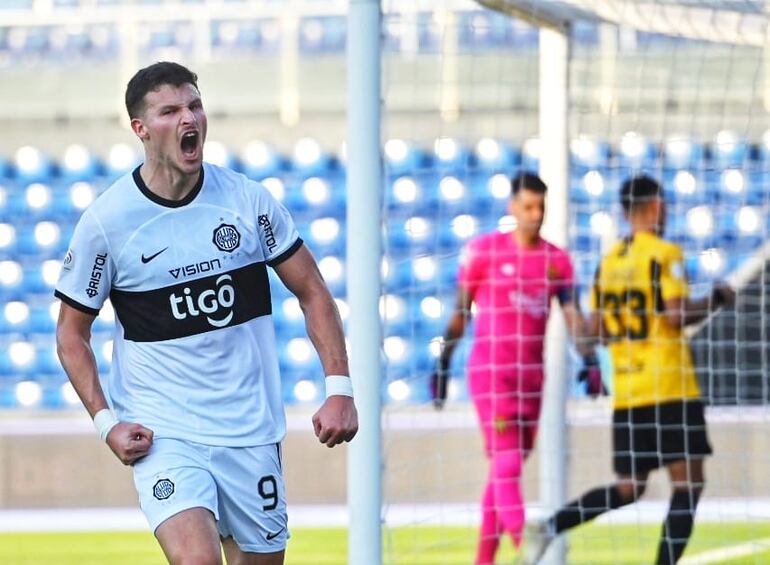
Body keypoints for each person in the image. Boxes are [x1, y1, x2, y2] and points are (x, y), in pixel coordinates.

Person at [55, 61, 358, 565]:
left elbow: (314, 292)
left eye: (194, 105)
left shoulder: (246, 201)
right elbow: (71, 335)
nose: (188, 117)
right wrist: (106, 422)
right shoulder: (107, 224)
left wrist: (340, 389)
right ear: (141, 128)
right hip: (166, 433)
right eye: (170, 110)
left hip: (250, 432)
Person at [518, 175, 735, 565]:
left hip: (629, 393)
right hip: (669, 386)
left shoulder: (609, 263)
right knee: (688, 485)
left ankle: (550, 527)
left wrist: (581, 343)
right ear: (655, 207)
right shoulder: (663, 254)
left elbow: (590, 334)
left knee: (628, 488)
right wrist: (716, 298)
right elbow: (675, 314)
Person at [430, 172, 598, 565]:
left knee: (503, 471)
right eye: (527, 206)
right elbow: (461, 312)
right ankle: (528, 540)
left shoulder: (557, 261)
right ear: (512, 207)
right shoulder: (484, 252)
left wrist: (589, 360)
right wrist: (443, 361)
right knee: (505, 461)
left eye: (540, 206)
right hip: (491, 373)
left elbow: (573, 317)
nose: (535, 214)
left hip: (532, 379)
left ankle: (484, 562)